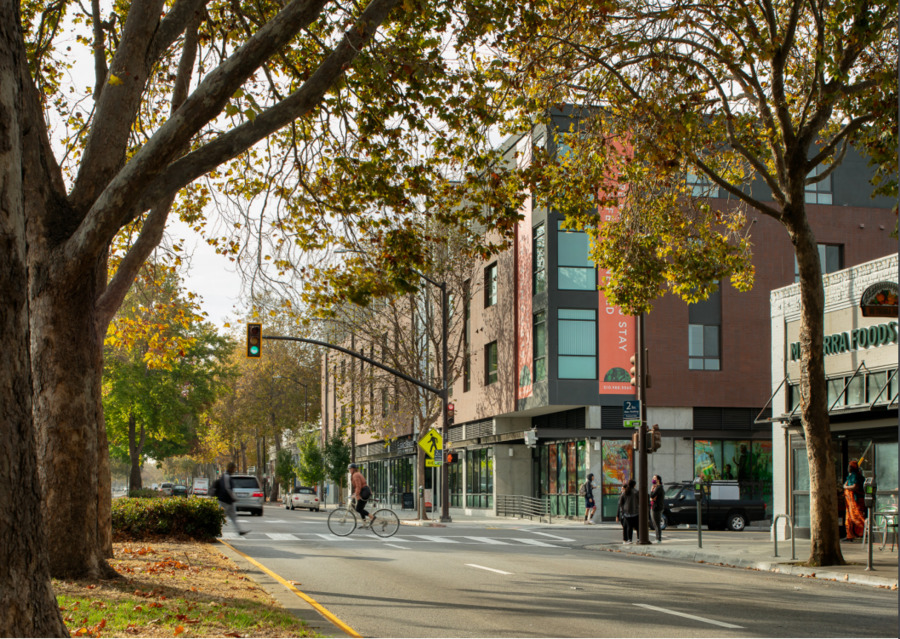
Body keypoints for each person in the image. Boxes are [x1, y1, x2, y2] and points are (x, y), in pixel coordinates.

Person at [218, 462, 248, 536]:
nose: (234, 470)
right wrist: (233, 497)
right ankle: (216, 530)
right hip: (224, 500)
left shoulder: (227, 476)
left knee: (233, 516)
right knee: (220, 516)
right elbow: (227, 488)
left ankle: (239, 530)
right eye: (234, 468)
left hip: (228, 501)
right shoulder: (226, 476)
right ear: (230, 468)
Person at [842, 460, 866, 542]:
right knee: (849, 518)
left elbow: (854, 487)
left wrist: (845, 487)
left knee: (857, 516)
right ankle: (850, 535)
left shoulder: (855, 476)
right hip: (850, 501)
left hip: (855, 501)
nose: (848, 468)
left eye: (849, 466)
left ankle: (864, 533)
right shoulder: (851, 476)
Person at [349, 463, 374, 527]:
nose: (349, 470)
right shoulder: (357, 474)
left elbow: (358, 486)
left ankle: (372, 517)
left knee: (358, 509)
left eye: (350, 469)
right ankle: (364, 523)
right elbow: (359, 486)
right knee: (360, 509)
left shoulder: (355, 475)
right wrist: (355, 494)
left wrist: (356, 494)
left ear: (353, 469)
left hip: (364, 492)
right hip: (364, 491)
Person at [618, 479, 639, 544]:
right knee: (637, 526)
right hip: (635, 511)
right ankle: (638, 538)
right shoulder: (636, 492)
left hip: (626, 512)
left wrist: (623, 510)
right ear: (634, 485)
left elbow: (621, 502)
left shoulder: (625, 492)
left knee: (629, 526)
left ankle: (629, 539)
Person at [649, 474, 665, 543]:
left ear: (658, 480)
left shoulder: (659, 487)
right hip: (654, 506)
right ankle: (657, 538)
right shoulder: (657, 487)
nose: (653, 479)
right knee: (655, 523)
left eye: (654, 478)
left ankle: (658, 539)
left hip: (657, 507)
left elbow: (652, 495)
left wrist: (651, 490)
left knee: (657, 523)